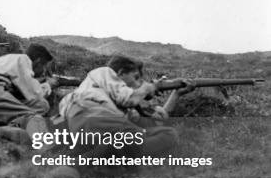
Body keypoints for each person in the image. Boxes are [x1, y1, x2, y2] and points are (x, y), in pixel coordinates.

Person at [57, 55, 195, 158]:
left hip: (83, 129)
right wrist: (149, 88)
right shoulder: (104, 72)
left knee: (161, 133)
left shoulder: (115, 103)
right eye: (135, 78)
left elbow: (158, 118)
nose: (137, 85)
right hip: (94, 117)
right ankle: (89, 162)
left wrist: (176, 94)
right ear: (121, 73)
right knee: (168, 135)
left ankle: (83, 161)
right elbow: (130, 99)